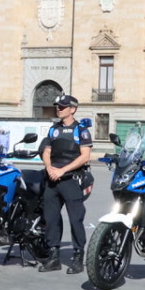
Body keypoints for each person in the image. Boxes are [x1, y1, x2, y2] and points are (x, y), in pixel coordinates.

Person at [38, 94, 93, 274]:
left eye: (62, 106)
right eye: (57, 106)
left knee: (76, 219)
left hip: (71, 180)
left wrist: (63, 171)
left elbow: (85, 156)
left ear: (72, 109)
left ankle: (78, 256)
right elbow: (46, 151)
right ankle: (53, 257)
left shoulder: (81, 130)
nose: (58, 109)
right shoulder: (53, 129)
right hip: (52, 180)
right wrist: (49, 168)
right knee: (51, 219)